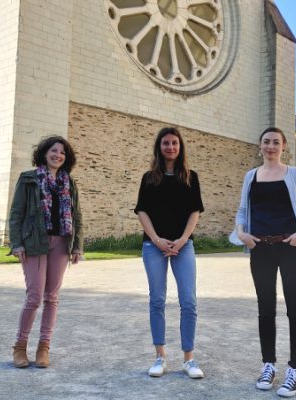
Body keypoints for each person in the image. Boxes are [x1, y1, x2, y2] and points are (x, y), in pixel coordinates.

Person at [234, 127, 296, 398]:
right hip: (260, 249)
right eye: (266, 142)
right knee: (265, 310)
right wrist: (243, 234)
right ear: (260, 145)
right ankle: (268, 365)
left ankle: (295, 371)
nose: (270, 146)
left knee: (295, 309)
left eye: (276, 142)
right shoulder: (250, 176)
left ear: (283, 147)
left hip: (291, 247)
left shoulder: (294, 174)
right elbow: (243, 210)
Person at [134, 127, 205, 379]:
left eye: (174, 143)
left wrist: (183, 240)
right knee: (157, 300)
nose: (170, 147)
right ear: (159, 147)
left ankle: (189, 359)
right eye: (166, 143)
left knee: (189, 301)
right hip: (154, 246)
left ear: (180, 146)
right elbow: (142, 211)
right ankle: (160, 357)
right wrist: (157, 240)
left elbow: (195, 211)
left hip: (184, 246)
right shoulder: (148, 178)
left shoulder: (190, 177)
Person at [8, 135, 83, 369]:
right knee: (34, 297)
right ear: (44, 152)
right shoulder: (28, 178)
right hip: (34, 242)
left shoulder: (69, 183)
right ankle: (20, 347)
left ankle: (44, 347)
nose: (57, 155)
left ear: (66, 157)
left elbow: (78, 217)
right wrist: (17, 243)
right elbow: (16, 214)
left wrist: (77, 245)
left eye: (62, 152)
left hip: (61, 242)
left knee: (52, 298)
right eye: (53, 150)